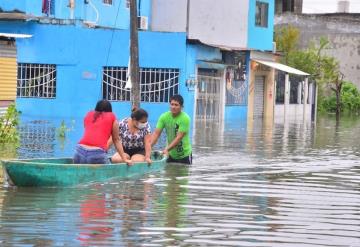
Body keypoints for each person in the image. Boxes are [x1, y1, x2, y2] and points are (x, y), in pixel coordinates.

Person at [74, 99, 131, 165]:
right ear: (110, 109)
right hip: (97, 154)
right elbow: (116, 139)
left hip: (79, 151)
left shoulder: (88, 114)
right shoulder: (112, 117)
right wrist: (124, 159)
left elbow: (88, 130)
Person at [151, 94, 192, 164]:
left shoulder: (185, 118)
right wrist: (149, 146)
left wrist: (166, 149)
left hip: (184, 155)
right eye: (172, 104)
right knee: (169, 173)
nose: (173, 107)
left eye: (176, 105)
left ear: (181, 107)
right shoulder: (164, 117)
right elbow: (156, 134)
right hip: (170, 154)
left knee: (184, 174)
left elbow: (178, 138)